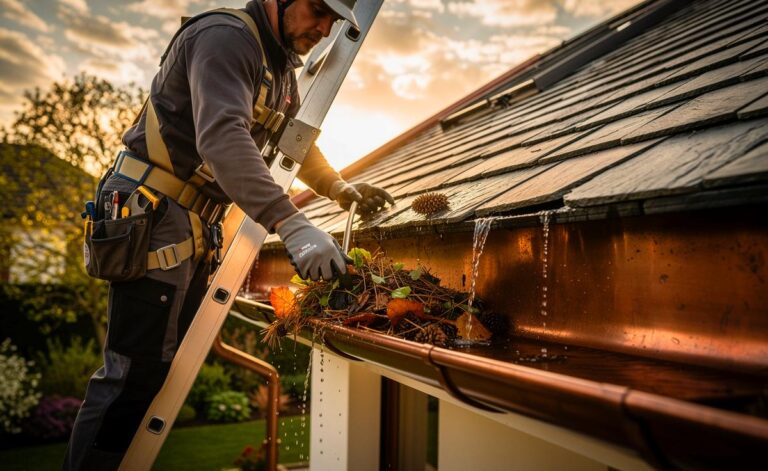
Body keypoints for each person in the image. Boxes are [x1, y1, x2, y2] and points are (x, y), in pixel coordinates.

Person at [64, 1, 393, 469]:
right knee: (133, 374)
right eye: (318, 9)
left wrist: (336, 186)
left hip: (191, 217)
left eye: (334, 21)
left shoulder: (277, 66)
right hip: (153, 212)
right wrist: (291, 222)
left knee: (161, 371)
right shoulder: (226, 38)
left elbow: (293, 139)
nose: (324, 28)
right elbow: (222, 138)